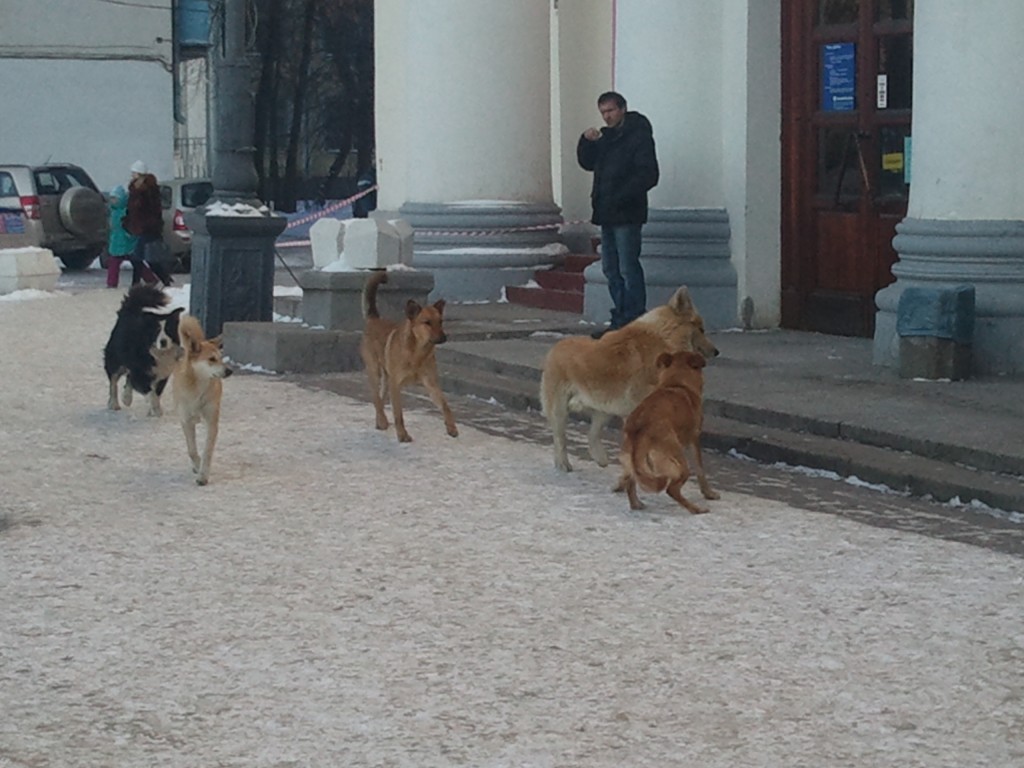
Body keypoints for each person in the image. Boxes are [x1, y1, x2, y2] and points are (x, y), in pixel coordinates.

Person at [577, 91, 659, 338]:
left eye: (611, 110)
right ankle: (621, 317)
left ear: (623, 109)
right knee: (610, 268)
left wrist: (622, 196)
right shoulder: (606, 137)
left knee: (627, 266)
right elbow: (587, 162)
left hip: (627, 213)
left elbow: (649, 175)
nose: (607, 116)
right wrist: (585, 141)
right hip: (606, 213)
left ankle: (635, 317)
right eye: (603, 112)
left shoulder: (639, 136)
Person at [124, 161, 172, 287]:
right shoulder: (135, 189)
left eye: (134, 173)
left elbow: (152, 210)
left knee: (138, 257)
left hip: (147, 228)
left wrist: (148, 224)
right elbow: (132, 210)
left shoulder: (148, 190)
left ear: (140, 174)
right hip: (140, 227)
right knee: (148, 258)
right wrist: (128, 221)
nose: (132, 175)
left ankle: (136, 284)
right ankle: (165, 279)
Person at [104, 185, 138, 288]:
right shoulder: (112, 212)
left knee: (137, 262)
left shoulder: (127, 211)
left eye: (115, 198)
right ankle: (111, 283)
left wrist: (130, 236)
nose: (113, 201)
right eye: (112, 198)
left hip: (127, 241)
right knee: (113, 263)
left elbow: (131, 226)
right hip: (116, 242)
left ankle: (150, 279)